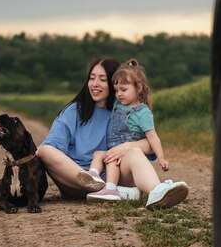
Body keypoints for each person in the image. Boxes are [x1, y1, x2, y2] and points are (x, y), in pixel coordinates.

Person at [77, 59, 189, 209]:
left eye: (123, 90)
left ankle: (156, 190)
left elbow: (153, 137)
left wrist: (161, 157)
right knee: (101, 154)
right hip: (114, 159)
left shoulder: (142, 113)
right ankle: (99, 180)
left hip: (127, 165)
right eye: (116, 90)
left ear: (139, 87)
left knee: (134, 151)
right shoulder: (118, 104)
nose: (118, 94)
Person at [37, 57, 145, 201]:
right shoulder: (74, 110)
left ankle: (111, 189)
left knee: (134, 153)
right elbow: (51, 147)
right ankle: (108, 190)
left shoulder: (126, 111)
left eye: (102, 79)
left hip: (113, 175)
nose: (95, 84)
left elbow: (149, 143)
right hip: (75, 179)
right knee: (45, 150)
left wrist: (126, 147)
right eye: (92, 78)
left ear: (115, 83)